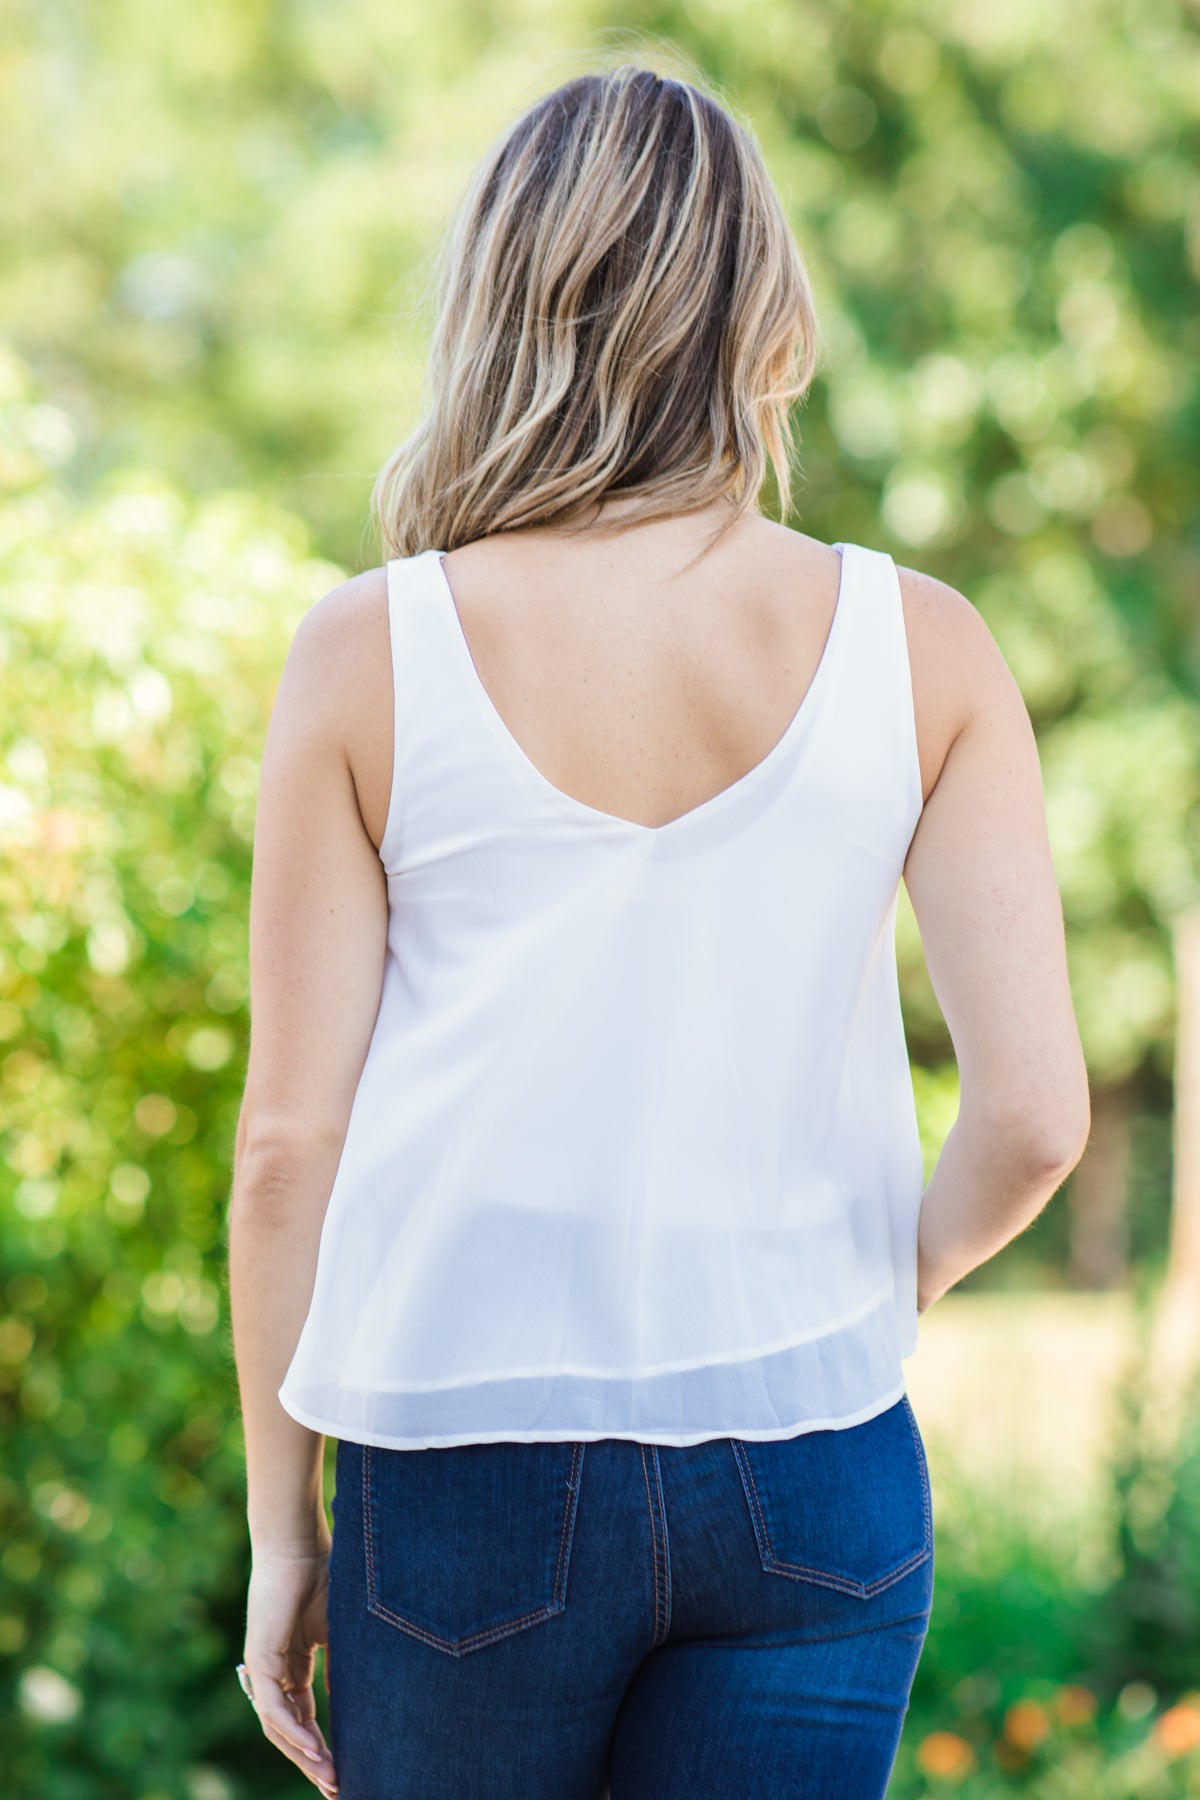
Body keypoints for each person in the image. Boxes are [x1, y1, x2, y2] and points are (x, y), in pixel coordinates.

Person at [226, 62, 1091, 1800]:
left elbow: (285, 1145)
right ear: (766, 320)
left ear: (495, 309)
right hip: (816, 1465)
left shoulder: (367, 653)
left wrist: (283, 1529)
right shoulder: (924, 646)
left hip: (463, 1468)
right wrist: (875, 1286)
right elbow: (1039, 1121)